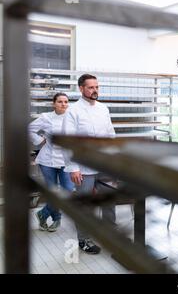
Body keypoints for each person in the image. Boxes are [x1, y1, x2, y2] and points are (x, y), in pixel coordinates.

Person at [62, 74, 116, 255]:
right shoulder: (73, 111)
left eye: (97, 87)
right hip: (83, 167)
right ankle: (83, 240)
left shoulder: (103, 109)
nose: (95, 90)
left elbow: (110, 135)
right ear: (81, 89)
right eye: (91, 87)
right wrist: (73, 168)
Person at [29, 92, 74, 232]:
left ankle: (42, 213)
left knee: (67, 191)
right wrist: (39, 140)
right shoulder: (46, 117)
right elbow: (28, 129)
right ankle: (56, 219)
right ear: (53, 103)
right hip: (48, 160)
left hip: (67, 160)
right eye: (60, 101)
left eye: (66, 102)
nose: (63, 104)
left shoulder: (73, 117)